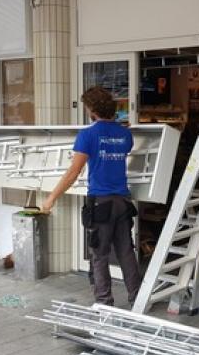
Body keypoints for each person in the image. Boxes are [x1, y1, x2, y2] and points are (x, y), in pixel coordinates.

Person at [41, 87, 141, 306]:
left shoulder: (87, 135)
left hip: (101, 202)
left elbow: (73, 173)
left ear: (92, 110)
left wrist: (51, 199)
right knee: (126, 252)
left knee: (100, 254)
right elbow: (122, 146)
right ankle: (138, 298)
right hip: (123, 201)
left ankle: (104, 303)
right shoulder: (125, 134)